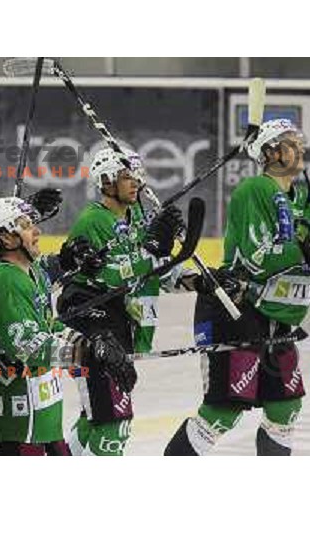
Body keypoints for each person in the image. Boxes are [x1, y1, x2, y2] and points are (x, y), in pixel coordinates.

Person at [164, 119, 310, 456]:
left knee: (286, 409)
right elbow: (257, 258)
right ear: (269, 152)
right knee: (222, 414)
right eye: (289, 142)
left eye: (299, 140)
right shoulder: (253, 190)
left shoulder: (308, 200)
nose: (300, 147)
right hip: (237, 310)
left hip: (280, 318)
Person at [0, 197, 136, 456]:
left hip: (41, 413)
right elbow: (30, 347)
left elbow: (49, 326)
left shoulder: (32, 273)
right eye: (26, 225)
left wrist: (91, 343)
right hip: (14, 420)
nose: (37, 231)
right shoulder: (4, 280)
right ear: (6, 238)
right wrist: (88, 355)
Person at [57, 147, 183, 455]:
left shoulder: (139, 218)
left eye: (137, 176)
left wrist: (196, 279)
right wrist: (150, 252)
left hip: (118, 324)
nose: (135, 182)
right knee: (115, 422)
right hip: (92, 324)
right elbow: (112, 278)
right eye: (127, 176)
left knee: (96, 418)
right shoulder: (92, 221)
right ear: (107, 182)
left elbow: (159, 272)